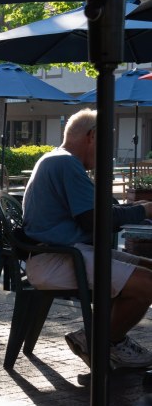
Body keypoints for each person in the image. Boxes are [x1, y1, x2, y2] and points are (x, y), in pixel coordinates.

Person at [23, 108, 152, 369]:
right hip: (58, 258)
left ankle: (107, 340)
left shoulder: (54, 159)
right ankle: (100, 341)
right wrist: (143, 211)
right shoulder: (66, 163)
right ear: (92, 136)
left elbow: (97, 212)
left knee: (148, 271)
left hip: (60, 254)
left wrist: (132, 210)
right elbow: (93, 219)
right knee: (148, 283)